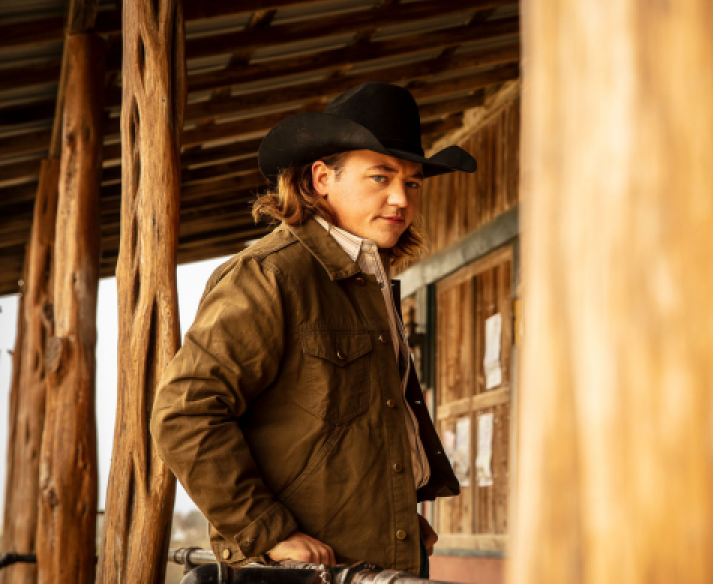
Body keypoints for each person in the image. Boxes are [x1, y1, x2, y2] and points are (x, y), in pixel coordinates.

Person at [150, 82, 476, 577]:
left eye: (411, 183)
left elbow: (350, 429)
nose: (399, 199)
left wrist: (399, 515)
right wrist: (270, 531)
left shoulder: (369, 281)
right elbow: (184, 414)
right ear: (323, 178)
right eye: (380, 177)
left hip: (382, 560)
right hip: (305, 574)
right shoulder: (271, 274)